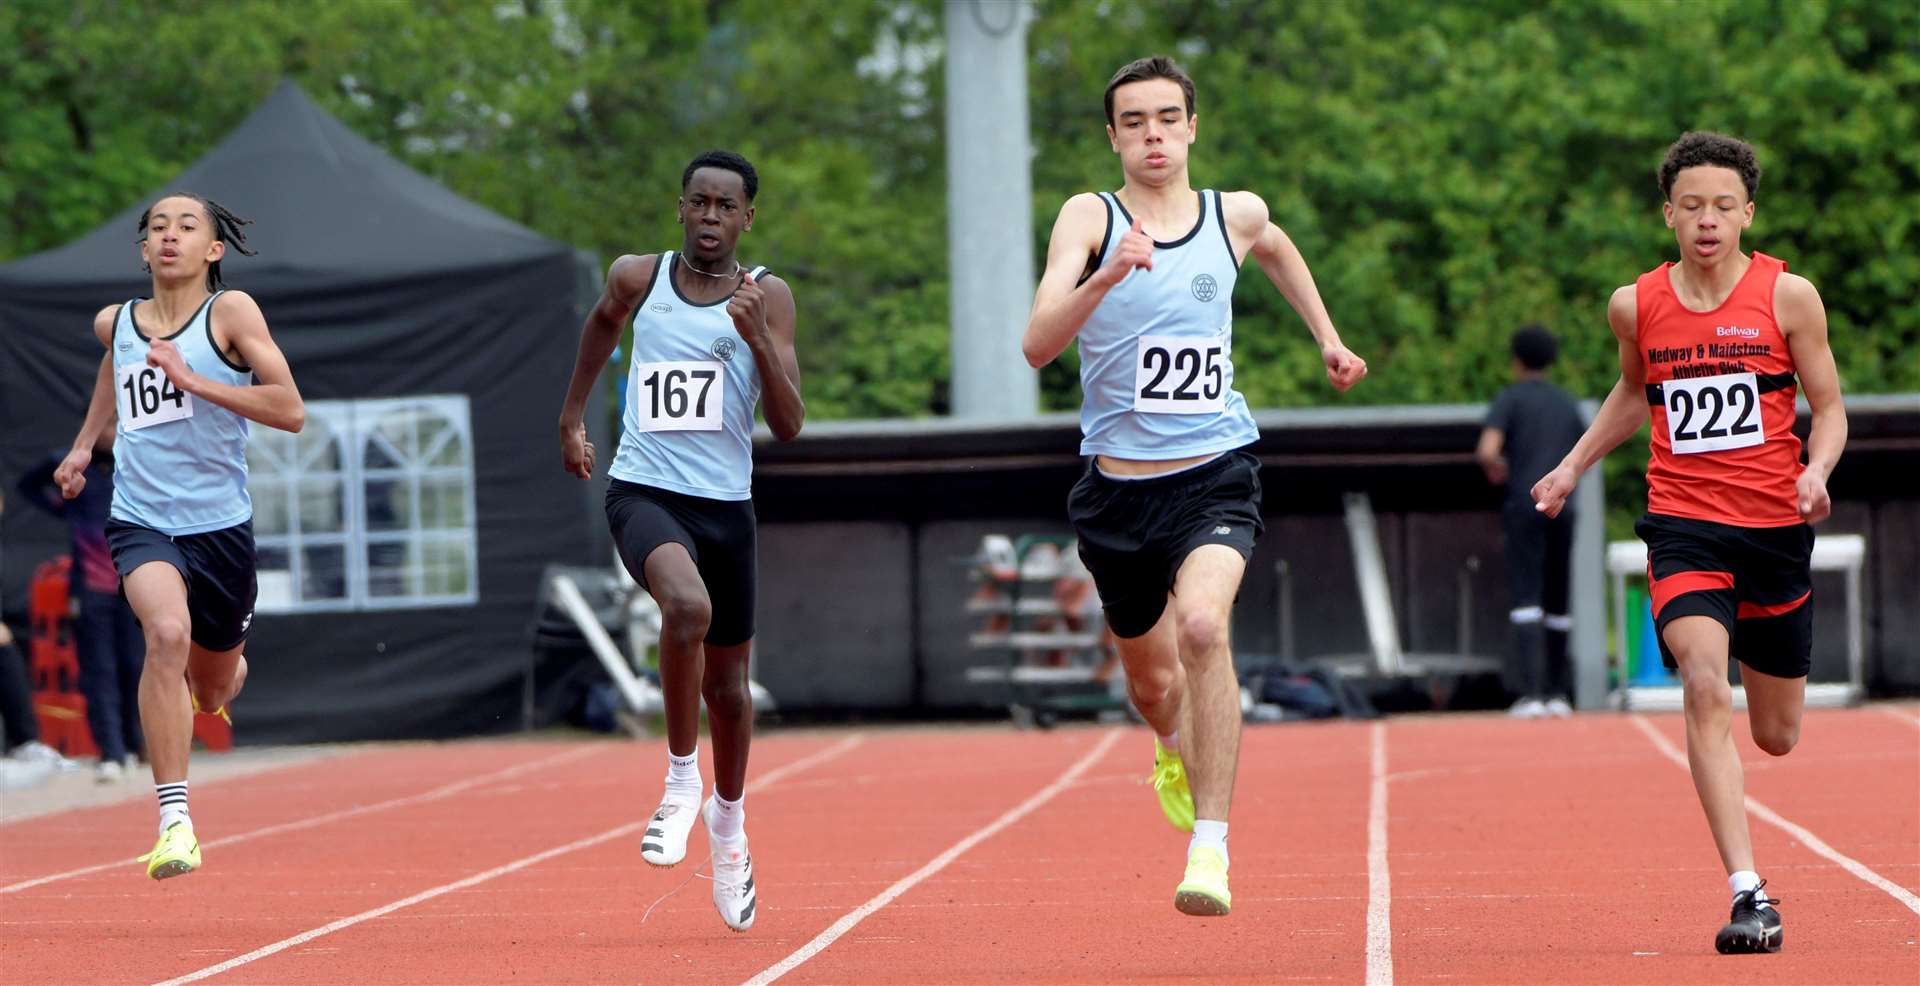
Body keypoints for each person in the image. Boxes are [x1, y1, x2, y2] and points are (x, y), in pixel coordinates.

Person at [1023, 56, 1367, 916]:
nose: (1152, 135)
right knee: (1152, 685)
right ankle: (1173, 745)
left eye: (1167, 118)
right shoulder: (1088, 218)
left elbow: (1278, 248)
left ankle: (1209, 848)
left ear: (1191, 128)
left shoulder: (1233, 214)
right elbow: (1036, 346)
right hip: (1116, 494)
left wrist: (1325, 335)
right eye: (1133, 121)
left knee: (1206, 627)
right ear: (1113, 137)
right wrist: (1104, 275)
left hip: (1215, 473)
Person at [1533, 132, 1846, 954]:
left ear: (1749, 213)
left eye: (1724, 206)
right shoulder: (1635, 305)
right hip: (1683, 527)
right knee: (1706, 685)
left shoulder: (1790, 298)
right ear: (1668, 213)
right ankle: (1749, 892)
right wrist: (1570, 466)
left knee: (1776, 735)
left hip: (1775, 531)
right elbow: (1636, 394)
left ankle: (1764, 707)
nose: (1708, 221)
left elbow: (1832, 407)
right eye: (1693, 206)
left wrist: (1816, 468)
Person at [556, 150, 804, 932]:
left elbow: (791, 425)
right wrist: (572, 416)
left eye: (724, 207)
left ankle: (728, 834)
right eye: (698, 203)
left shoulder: (768, 296)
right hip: (644, 492)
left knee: (729, 694)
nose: (709, 217)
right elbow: (599, 328)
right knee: (684, 608)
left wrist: (759, 340)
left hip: (725, 508)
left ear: (746, 219)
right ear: (680, 209)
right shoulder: (640, 277)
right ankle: (677, 780)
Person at [54, 192, 306, 879]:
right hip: (142, 519)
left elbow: (289, 409)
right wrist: (84, 447)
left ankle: (211, 683)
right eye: (157, 227)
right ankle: (175, 822)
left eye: (187, 226)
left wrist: (193, 379)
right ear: (143, 250)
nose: (170, 236)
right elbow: (117, 366)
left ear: (213, 250)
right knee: (164, 634)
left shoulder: (230, 313)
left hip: (220, 528)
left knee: (216, 686)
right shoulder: (118, 322)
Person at [19, 439, 147, 779]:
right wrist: (63, 509)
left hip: (131, 580)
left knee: (134, 665)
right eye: (105, 421)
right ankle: (111, 751)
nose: (111, 428)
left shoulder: (137, 459)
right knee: (98, 668)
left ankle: (134, 744)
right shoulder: (69, 462)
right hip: (91, 587)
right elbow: (27, 485)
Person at [1476, 325, 1583, 719]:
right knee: (1559, 598)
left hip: (1524, 504)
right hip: (1564, 506)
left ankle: (1531, 694)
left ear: (1516, 359)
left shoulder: (1510, 399)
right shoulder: (1566, 404)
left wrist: (1499, 470)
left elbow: (1487, 450)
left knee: (1527, 597)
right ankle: (1558, 694)